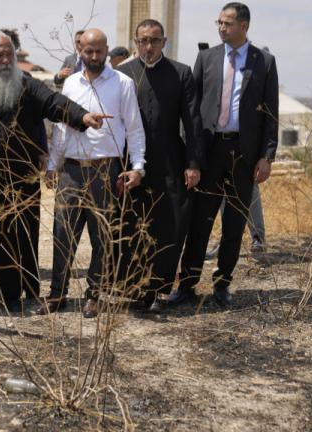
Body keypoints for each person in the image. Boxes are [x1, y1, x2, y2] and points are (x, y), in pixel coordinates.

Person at [0, 32, 110, 312]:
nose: (4, 60)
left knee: (20, 235)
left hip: (20, 177)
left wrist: (82, 116)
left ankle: (16, 293)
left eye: (8, 55)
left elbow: (54, 103)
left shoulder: (27, 85)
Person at [172, 2, 278, 308]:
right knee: (200, 221)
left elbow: (271, 113)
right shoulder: (206, 58)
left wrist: (267, 155)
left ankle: (222, 285)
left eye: (227, 23)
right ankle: (187, 284)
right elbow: (192, 110)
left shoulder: (264, 62)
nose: (221, 27)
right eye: (218, 22)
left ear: (244, 26)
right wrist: (191, 153)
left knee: (233, 223)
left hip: (244, 155)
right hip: (210, 150)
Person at [39, 29, 146, 318]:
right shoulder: (71, 83)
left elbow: (134, 129)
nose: (95, 57)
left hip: (105, 171)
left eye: (99, 51)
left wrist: (138, 167)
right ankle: (57, 294)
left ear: (107, 49)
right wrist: (52, 165)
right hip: (71, 171)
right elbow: (61, 127)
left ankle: (95, 295)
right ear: (80, 50)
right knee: (63, 234)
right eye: (89, 51)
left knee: (102, 237)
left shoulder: (122, 83)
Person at [116, 19, 204, 313]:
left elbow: (192, 124)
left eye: (154, 41)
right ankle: (135, 288)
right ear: (135, 42)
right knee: (134, 224)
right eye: (143, 41)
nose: (148, 47)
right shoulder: (123, 75)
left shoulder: (181, 73)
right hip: (133, 164)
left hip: (170, 162)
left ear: (164, 42)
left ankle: (160, 289)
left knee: (169, 226)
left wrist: (193, 164)